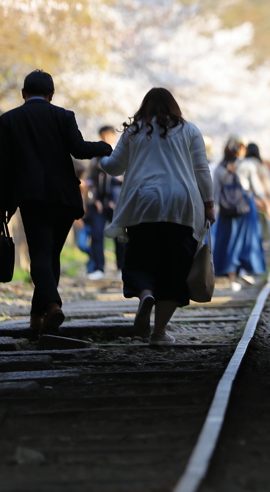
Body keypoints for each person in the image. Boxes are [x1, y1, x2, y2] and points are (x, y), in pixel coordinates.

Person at [0, 70, 112, 338]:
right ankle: (38, 318)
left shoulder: (8, 120)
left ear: (23, 94)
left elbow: (3, 167)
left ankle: (52, 305)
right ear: (51, 95)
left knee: (40, 256)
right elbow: (80, 149)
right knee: (50, 255)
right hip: (64, 198)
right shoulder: (63, 116)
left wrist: (2, 205)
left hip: (32, 198)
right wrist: (106, 148)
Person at [100, 88, 214, 347]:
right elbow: (202, 171)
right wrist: (209, 205)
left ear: (145, 106)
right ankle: (159, 333)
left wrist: (101, 156)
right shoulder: (190, 130)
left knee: (140, 258)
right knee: (175, 268)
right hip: (182, 205)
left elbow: (113, 167)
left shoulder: (134, 131)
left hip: (143, 203)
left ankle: (145, 294)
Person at [213, 136, 269, 291]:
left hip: (226, 210)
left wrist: (213, 209)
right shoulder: (247, 165)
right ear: (240, 149)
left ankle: (232, 278)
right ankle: (244, 270)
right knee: (247, 240)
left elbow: (214, 192)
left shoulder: (220, 168)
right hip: (245, 207)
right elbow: (257, 188)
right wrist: (268, 206)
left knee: (229, 242)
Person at [86, 125, 123, 279]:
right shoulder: (96, 157)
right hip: (98, 204)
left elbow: (123, 181)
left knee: (120, 236)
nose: (106, 138)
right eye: (103, 135)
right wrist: (94, 200)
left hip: (117, 203)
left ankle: (121, 268)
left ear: (114, 136)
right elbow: (90, 181)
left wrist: (117, 200)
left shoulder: (121, 154)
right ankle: (99, 268)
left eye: (109, 135)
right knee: (96, 235)